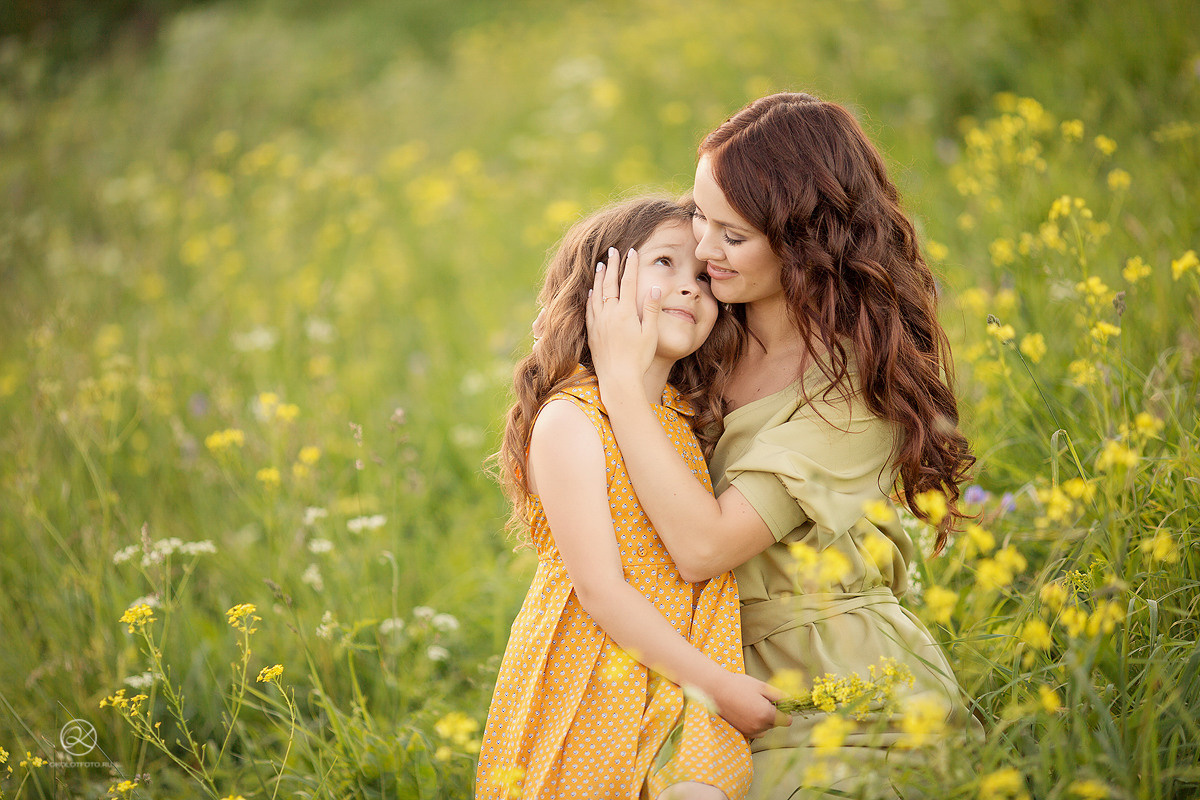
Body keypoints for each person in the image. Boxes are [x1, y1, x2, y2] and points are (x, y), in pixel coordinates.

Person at [585, 93, 982, 799]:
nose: (704, 251)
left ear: (804, 243)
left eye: (732, 237)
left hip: (839, 691)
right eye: (701, 216)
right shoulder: (708, 328)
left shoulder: (854, 395)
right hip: (710, 678)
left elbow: (703, 547)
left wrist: (619, 381)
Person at [476, 197, 789, 800]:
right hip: (601, 671)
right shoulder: (572, 419)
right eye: (664, 263)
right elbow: (599, 589)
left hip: (692, 662)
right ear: (598, 287)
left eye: (702, 277)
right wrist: (718, 687)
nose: (690, 287)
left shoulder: (682, 418)